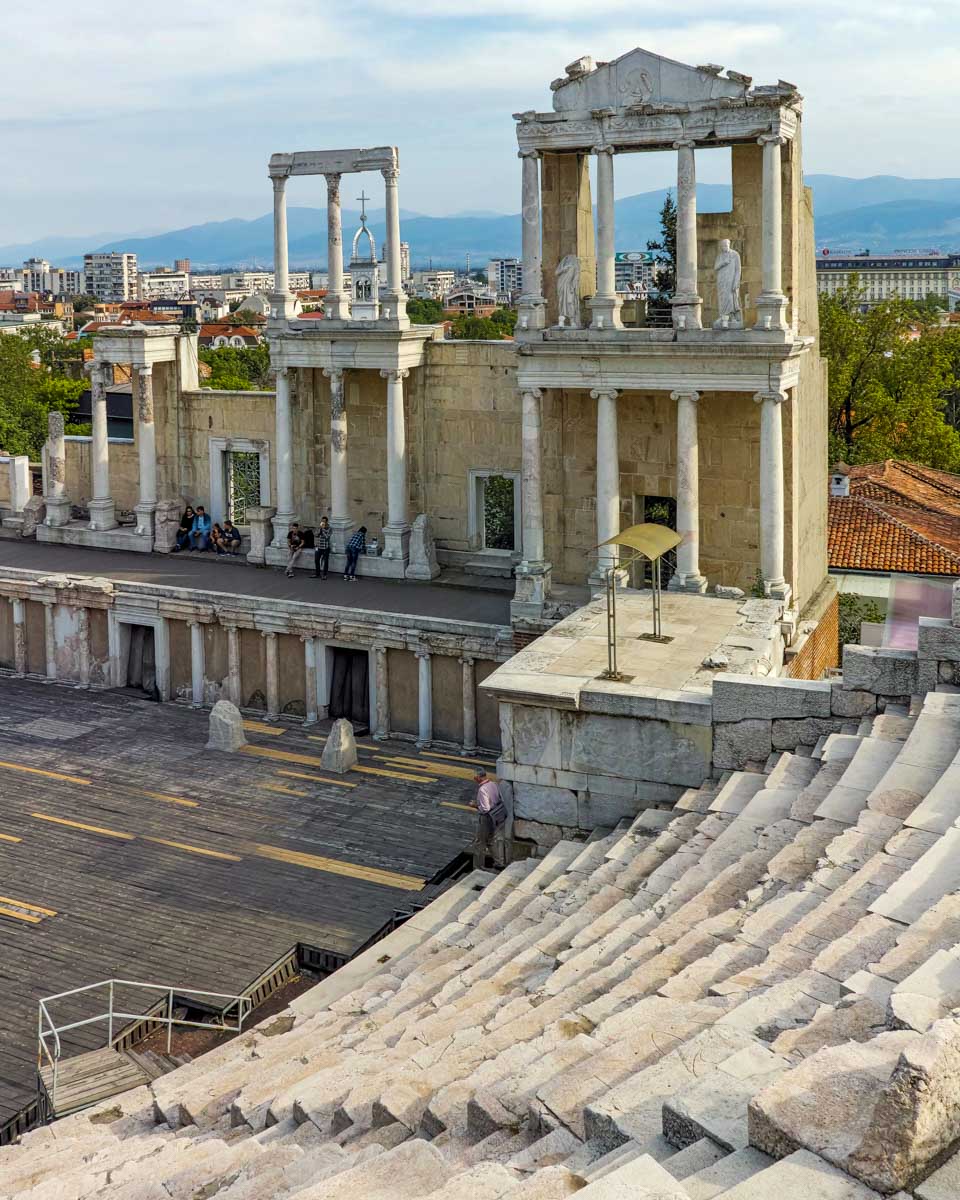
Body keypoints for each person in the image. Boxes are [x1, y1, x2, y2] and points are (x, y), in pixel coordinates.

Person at [473, 769, 506, 868]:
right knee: (491, 840)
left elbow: (485, 808)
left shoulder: (482, 789)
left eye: (475, 777)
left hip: (486, 818)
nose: (474, 779)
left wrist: (474, 805)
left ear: (479, 777)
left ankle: (478, 867)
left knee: (479, 843)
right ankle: (499, 862)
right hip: (496, 815)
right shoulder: (493, 784)